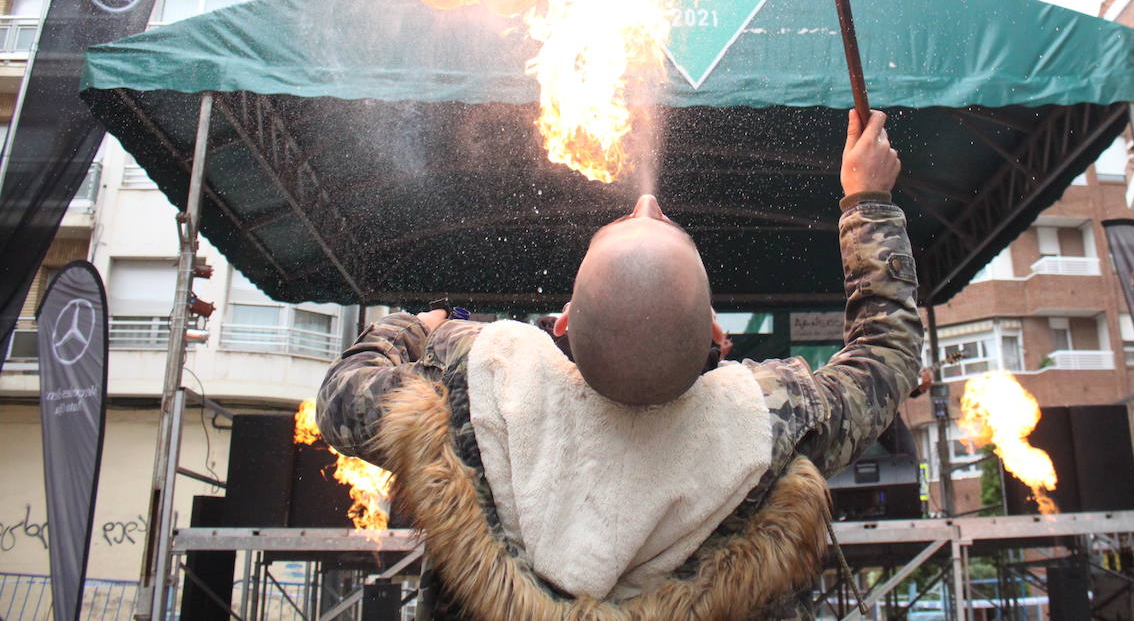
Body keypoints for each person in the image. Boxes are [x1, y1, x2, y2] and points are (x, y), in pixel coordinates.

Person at [316, 109, 923, 619]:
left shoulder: (477, 391)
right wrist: (867, 201)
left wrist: (414, 327)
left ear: (563, 324)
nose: (647, 198)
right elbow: (885, 354)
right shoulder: (772, 424)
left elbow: (343, 398)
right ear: (719, 336)